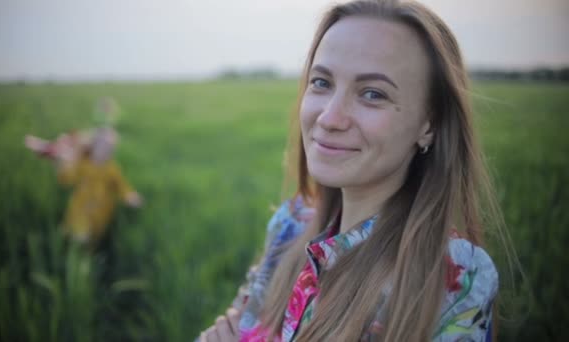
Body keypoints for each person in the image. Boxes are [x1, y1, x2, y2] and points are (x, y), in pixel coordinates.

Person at [200, 0, 504, 340]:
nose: (329, 118)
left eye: (372, 94)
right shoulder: (290, 225)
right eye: (321, 82)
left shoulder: (455, 280)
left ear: (429, 124)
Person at [26, 126, 142, 248]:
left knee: (95, 234)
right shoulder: (83, 163)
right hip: (83, 204)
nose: (107, 151)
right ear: (94, 146)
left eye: (110, 148)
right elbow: (67, 179)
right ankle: (68, 246)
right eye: (103, 147)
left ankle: (88, 252)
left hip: (102, 208)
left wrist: (130, 196)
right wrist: (60, 164)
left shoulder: (112, 168)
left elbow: (120, 185)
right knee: (78, 229)